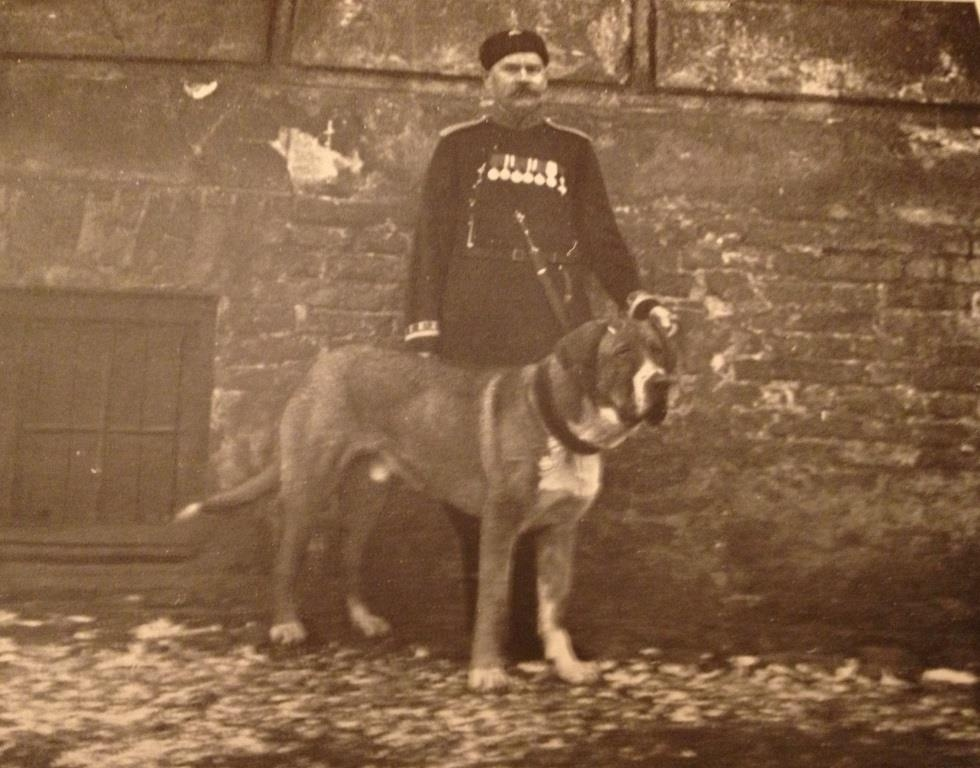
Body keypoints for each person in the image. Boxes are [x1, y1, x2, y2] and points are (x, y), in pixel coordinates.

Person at [404, 29, 673, 660]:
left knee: (547, 483)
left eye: (534, 68)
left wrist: (637, 299)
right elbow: (431, 239)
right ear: (487, 80)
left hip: (547, 337)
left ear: (546, 78)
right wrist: (424, 328)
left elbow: (600, 236)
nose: (524, 78)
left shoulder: (573, 151)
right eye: (510, 69)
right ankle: (487, 634)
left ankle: (529, 634)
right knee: (478, 490)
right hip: (472, 332)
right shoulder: (458, 146)